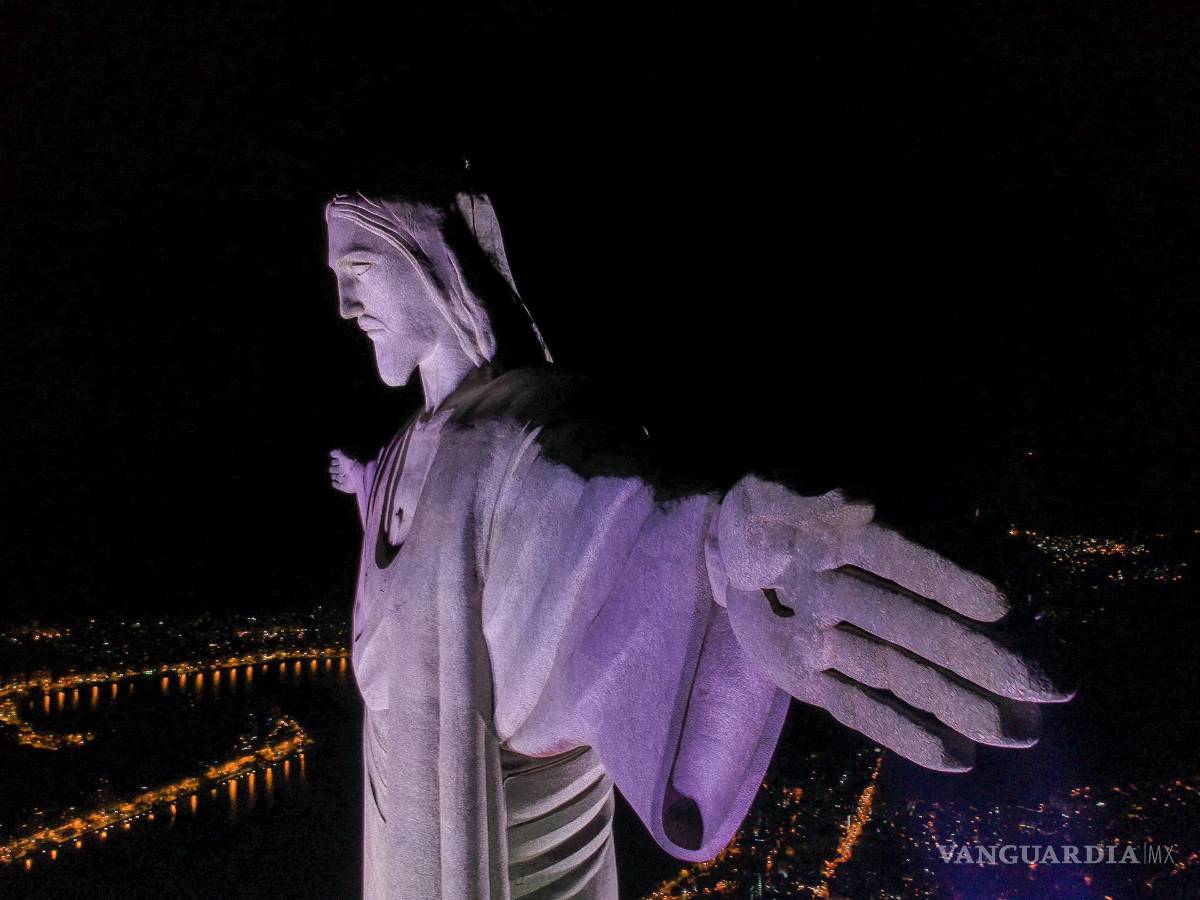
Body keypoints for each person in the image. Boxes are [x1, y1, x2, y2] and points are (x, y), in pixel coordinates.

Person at [325, 189, 1069, 899]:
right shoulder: (402, 451)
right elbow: (413, 565)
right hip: (396, 838)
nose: (345, 305)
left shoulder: (531, 431)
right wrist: (364, 483)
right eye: (336, 278)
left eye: (360, 269)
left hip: (527, 858)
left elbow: (613, 518)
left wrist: (719, 559)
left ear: (435, 262)